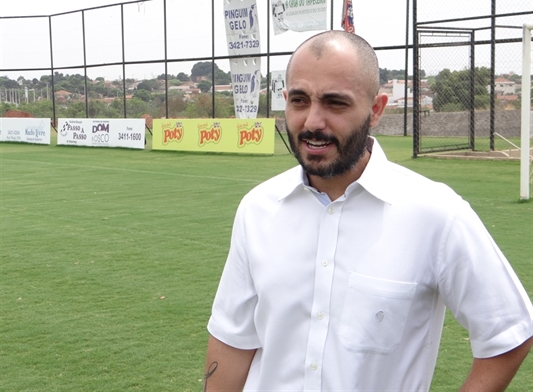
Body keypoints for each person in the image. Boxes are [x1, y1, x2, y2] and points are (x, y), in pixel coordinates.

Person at [204, 30, 533, 391]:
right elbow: (232, 339)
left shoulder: (435, 213)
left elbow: (509, 332)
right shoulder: (258, 208)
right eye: (299, 101)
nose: (313, 121)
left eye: (335, 103)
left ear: (376, 109)